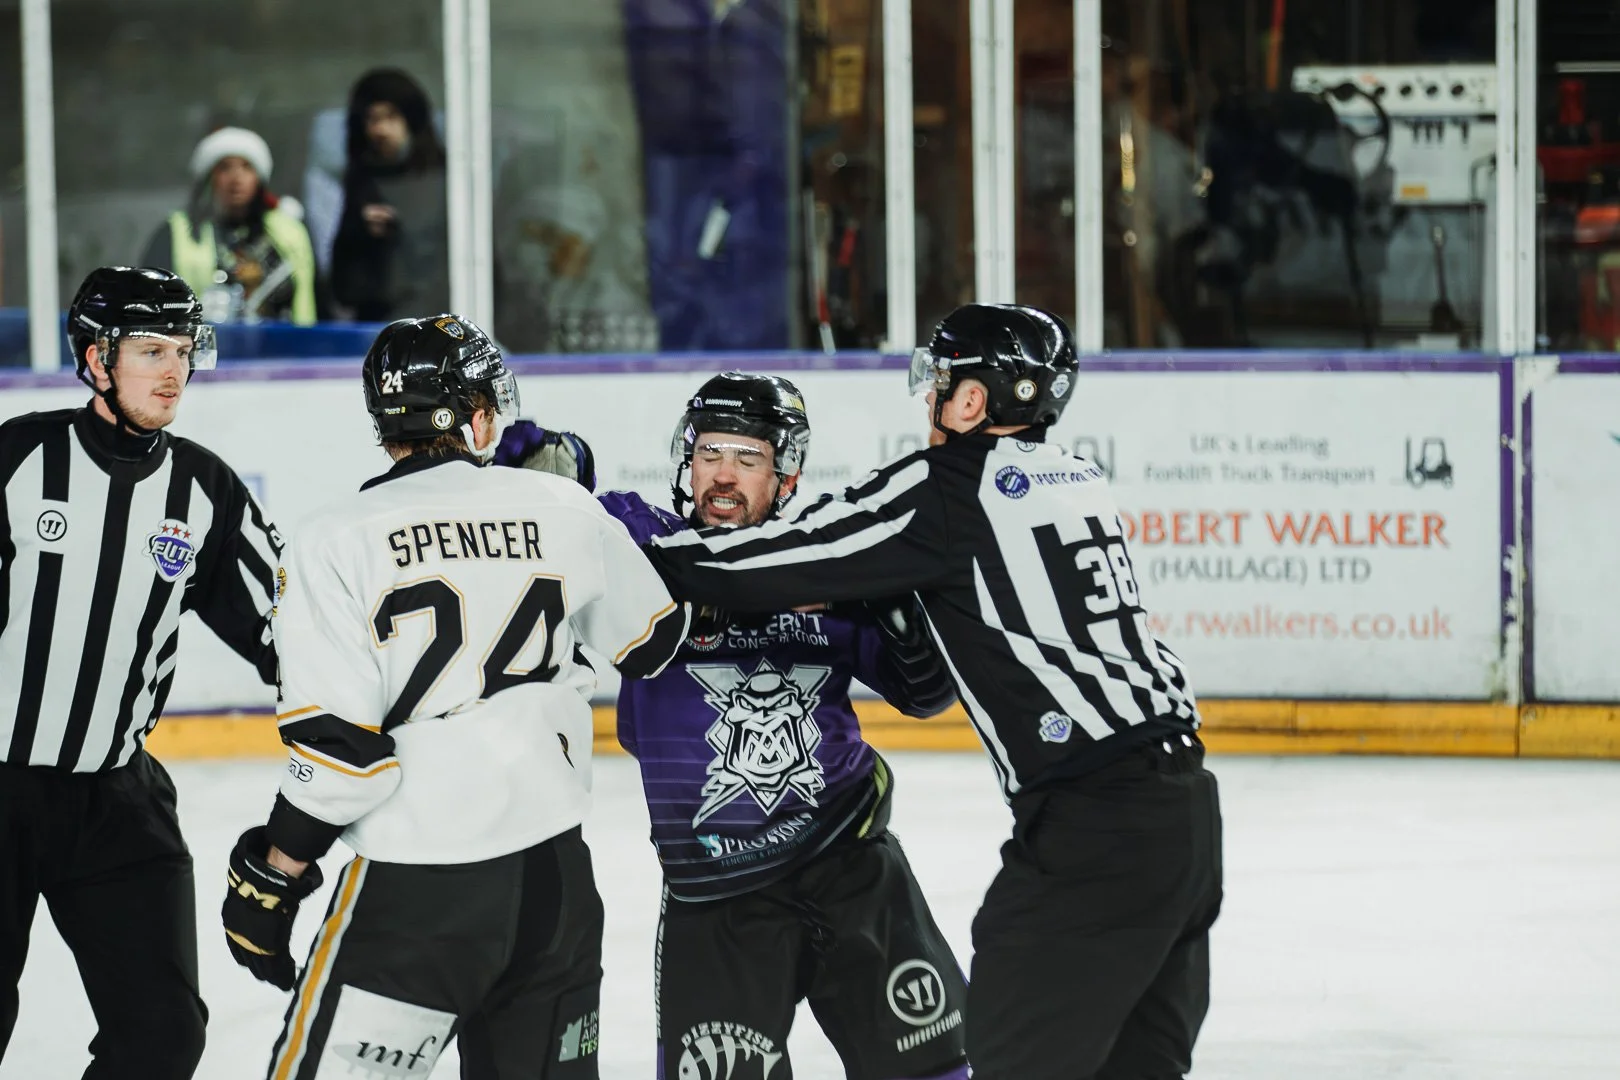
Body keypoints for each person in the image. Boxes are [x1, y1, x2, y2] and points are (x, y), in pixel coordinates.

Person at [641, 305, 1224, 1080]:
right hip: (1184, 815)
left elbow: (781, 561)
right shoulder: (1077, 480)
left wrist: (649, 552)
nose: (929, 401)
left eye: (940, 383)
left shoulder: (945, 487)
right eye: (710, 452)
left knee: (1009, 1053)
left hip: (1091, 824)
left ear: (973, 402)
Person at [220, 314, 690, 1080]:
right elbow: (656, 642)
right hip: (555, 885)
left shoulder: (332, 539)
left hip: (418, 890)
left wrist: (275, 872)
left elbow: (342, 760)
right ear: (476, 415)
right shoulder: (562, 505)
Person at [496, 372, 972, 1080]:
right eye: (710, 453)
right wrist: (542, 473)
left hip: (852, 865)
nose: (723, 475)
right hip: (714, 897)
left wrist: (901, 611)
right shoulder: (643, 542)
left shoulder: (824, 556)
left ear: (786, 476)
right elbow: (546, 504)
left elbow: (925, 693)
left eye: (748, 458)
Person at [0, 266, 282, 1078]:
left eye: (185, 351)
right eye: (151, 350)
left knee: (162, 1035)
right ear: (94, 360)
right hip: (1, 790)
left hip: (117, 802)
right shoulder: (19, 460)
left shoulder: (205, 490)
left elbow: (288, 632)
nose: (174, 372)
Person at [141, 126, 320, 325]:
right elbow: (149, 302)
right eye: (225, 167)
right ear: (210, 177)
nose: (236, 178)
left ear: (258, 178)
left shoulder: (289, 233)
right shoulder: (177, 232)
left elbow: (316, 298)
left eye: (247, 167)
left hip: (285, 349)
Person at [330, 68, 451, 321]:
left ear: (411, 119)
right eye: (372, 119)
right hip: (382, 328)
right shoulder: (362, 183)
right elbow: (343, 285)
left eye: (391, 117)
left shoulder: (448, 181)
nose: (381, 130)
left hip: (442, 324)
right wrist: (362, 234)